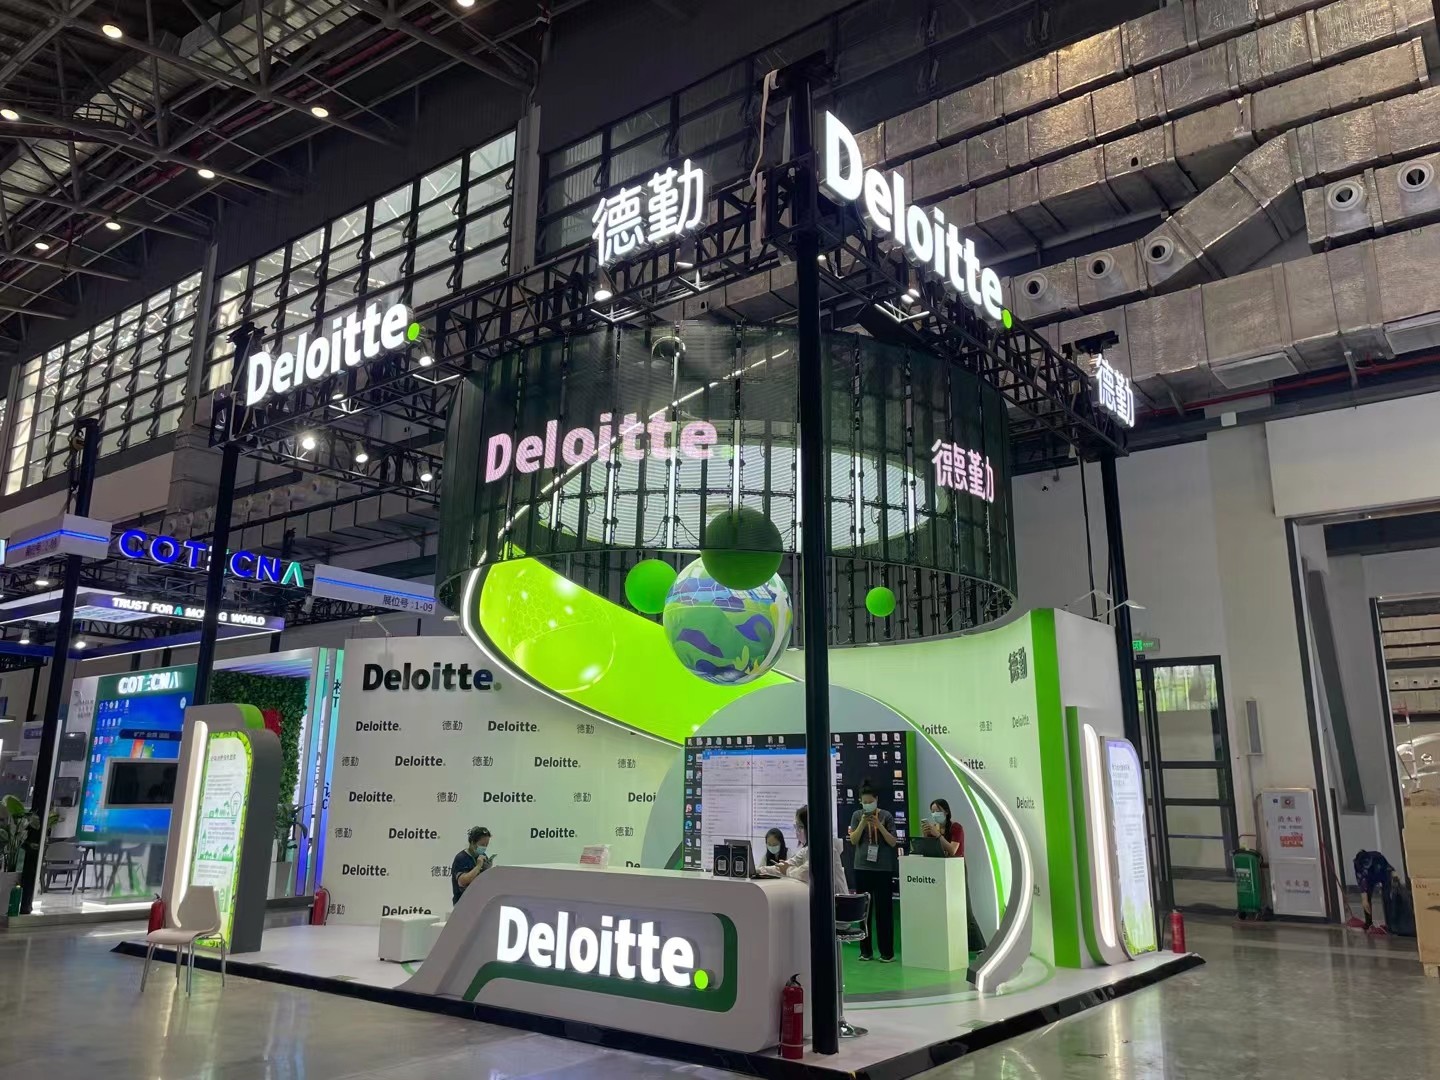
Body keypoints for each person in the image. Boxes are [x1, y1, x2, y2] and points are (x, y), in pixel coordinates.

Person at [924, 797, 986, 952]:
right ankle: (954, 945)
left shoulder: (956, 828)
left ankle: (979, 946)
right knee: (945, 909)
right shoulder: (933, 830)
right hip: (940, 870)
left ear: (946, 811)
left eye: (938, 811)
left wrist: (938, 836)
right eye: (932, 811)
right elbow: (929, 851)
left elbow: (953, 850)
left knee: (965, 908)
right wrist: (926, 836)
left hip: (956, 869)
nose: (935, 814)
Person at [847, 780, 899, 961]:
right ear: (860, 802)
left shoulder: (886, 815)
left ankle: (887, 952)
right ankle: (865, 951)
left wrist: (879, 825)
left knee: (884, 911)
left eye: (870, 801)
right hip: (862, 867)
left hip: (883, 869)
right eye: (864, 802)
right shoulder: (857, 815)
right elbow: (853, 840)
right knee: (864, 911)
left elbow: (893, 841)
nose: (867, 804)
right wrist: (863, 823)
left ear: (876, 799)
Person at [768, 806, 842, 883]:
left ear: (811, 827)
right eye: (796, 826)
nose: (797, 830)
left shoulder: (824, 848)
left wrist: (788, 870)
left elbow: (806, 873)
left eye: (800, 826)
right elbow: (787, 865)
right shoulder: (807, 850)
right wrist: (760, 871)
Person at [451, 826, 493, 905]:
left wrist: (487, 869)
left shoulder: (483, 856)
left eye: (486, 845)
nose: (484, 847)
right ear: (473, 843)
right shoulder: (461, 858)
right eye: (482, 844)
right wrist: (478, 866)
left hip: (478, 902)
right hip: (462, 903)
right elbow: (462, 882)